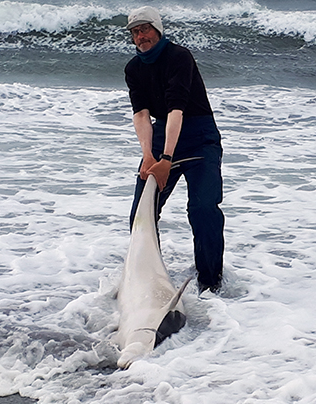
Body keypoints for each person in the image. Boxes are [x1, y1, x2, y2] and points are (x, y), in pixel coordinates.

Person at [124, 6, 225, 294]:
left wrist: (167, 159)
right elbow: (141, 115)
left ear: (157, 29)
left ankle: (210, 281)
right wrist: (149, 156)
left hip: (198, 134)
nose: (140, 36)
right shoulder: (133, 68)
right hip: (161, 133)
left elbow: (176, 109)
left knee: (202, 208)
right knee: (141, 212)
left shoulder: (179, 57)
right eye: (134, 32)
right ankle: (147, 280)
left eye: (144, 29)